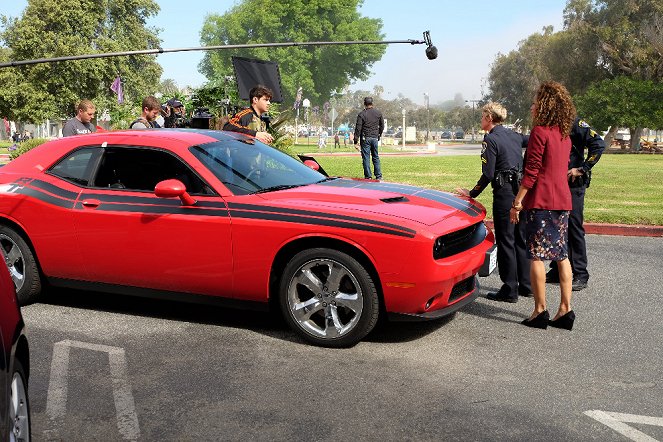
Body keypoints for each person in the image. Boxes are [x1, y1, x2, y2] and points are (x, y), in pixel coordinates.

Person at [510, 81, 576, 330]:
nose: (532, 105)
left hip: (541, 202)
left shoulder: (540, 132)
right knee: (561, 254)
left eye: (536, 100)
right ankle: (565, 309)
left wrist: (517, 202)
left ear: (545, 105)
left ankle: (539, 310)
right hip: (562, 201)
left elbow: (532, 173)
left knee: (536, 255)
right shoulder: (564, 135)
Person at [457, 102, 531, 303]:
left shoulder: (490, 140)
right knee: (520, 238)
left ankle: (510, 289)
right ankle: (526, 284)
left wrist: (472, 193)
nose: (481, 120)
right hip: (520, 194)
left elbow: (488, 174)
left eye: (482, 116)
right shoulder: (515, 136)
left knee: (506, 241)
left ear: (489, 118)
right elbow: (532, 140)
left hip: (505, 194)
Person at [545, 118, 605, 291]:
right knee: (557, 227)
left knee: (574, 228)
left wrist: (582, 169)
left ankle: (580, 273)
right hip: (557, 185)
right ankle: (557, 269)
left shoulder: (575, 124)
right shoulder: (552, 124)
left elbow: (599, 145)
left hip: (573, 186)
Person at [354, 97, 384, 179]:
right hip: (374, 137)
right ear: (372, 103)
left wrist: (355, 141)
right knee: (375, 156)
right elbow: (382, 126)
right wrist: (379, 135)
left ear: (364, 104)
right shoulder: (378, 113)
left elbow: (358, 128)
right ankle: (378, 176)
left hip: (365, 138)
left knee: (366, 157)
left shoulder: (362, 114)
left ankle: (368, 176)